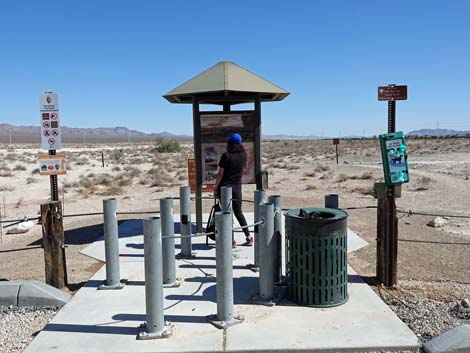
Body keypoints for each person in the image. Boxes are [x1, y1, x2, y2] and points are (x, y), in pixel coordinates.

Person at [214, 133, 253, 248]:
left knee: (227, 214)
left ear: (230, 143)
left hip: (225, 187)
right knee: (238, 212)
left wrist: (215, 188)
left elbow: (220, 173)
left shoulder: (226, 156)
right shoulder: (243, 155)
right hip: (237, 187)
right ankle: (248, 236)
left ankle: (231, 241)